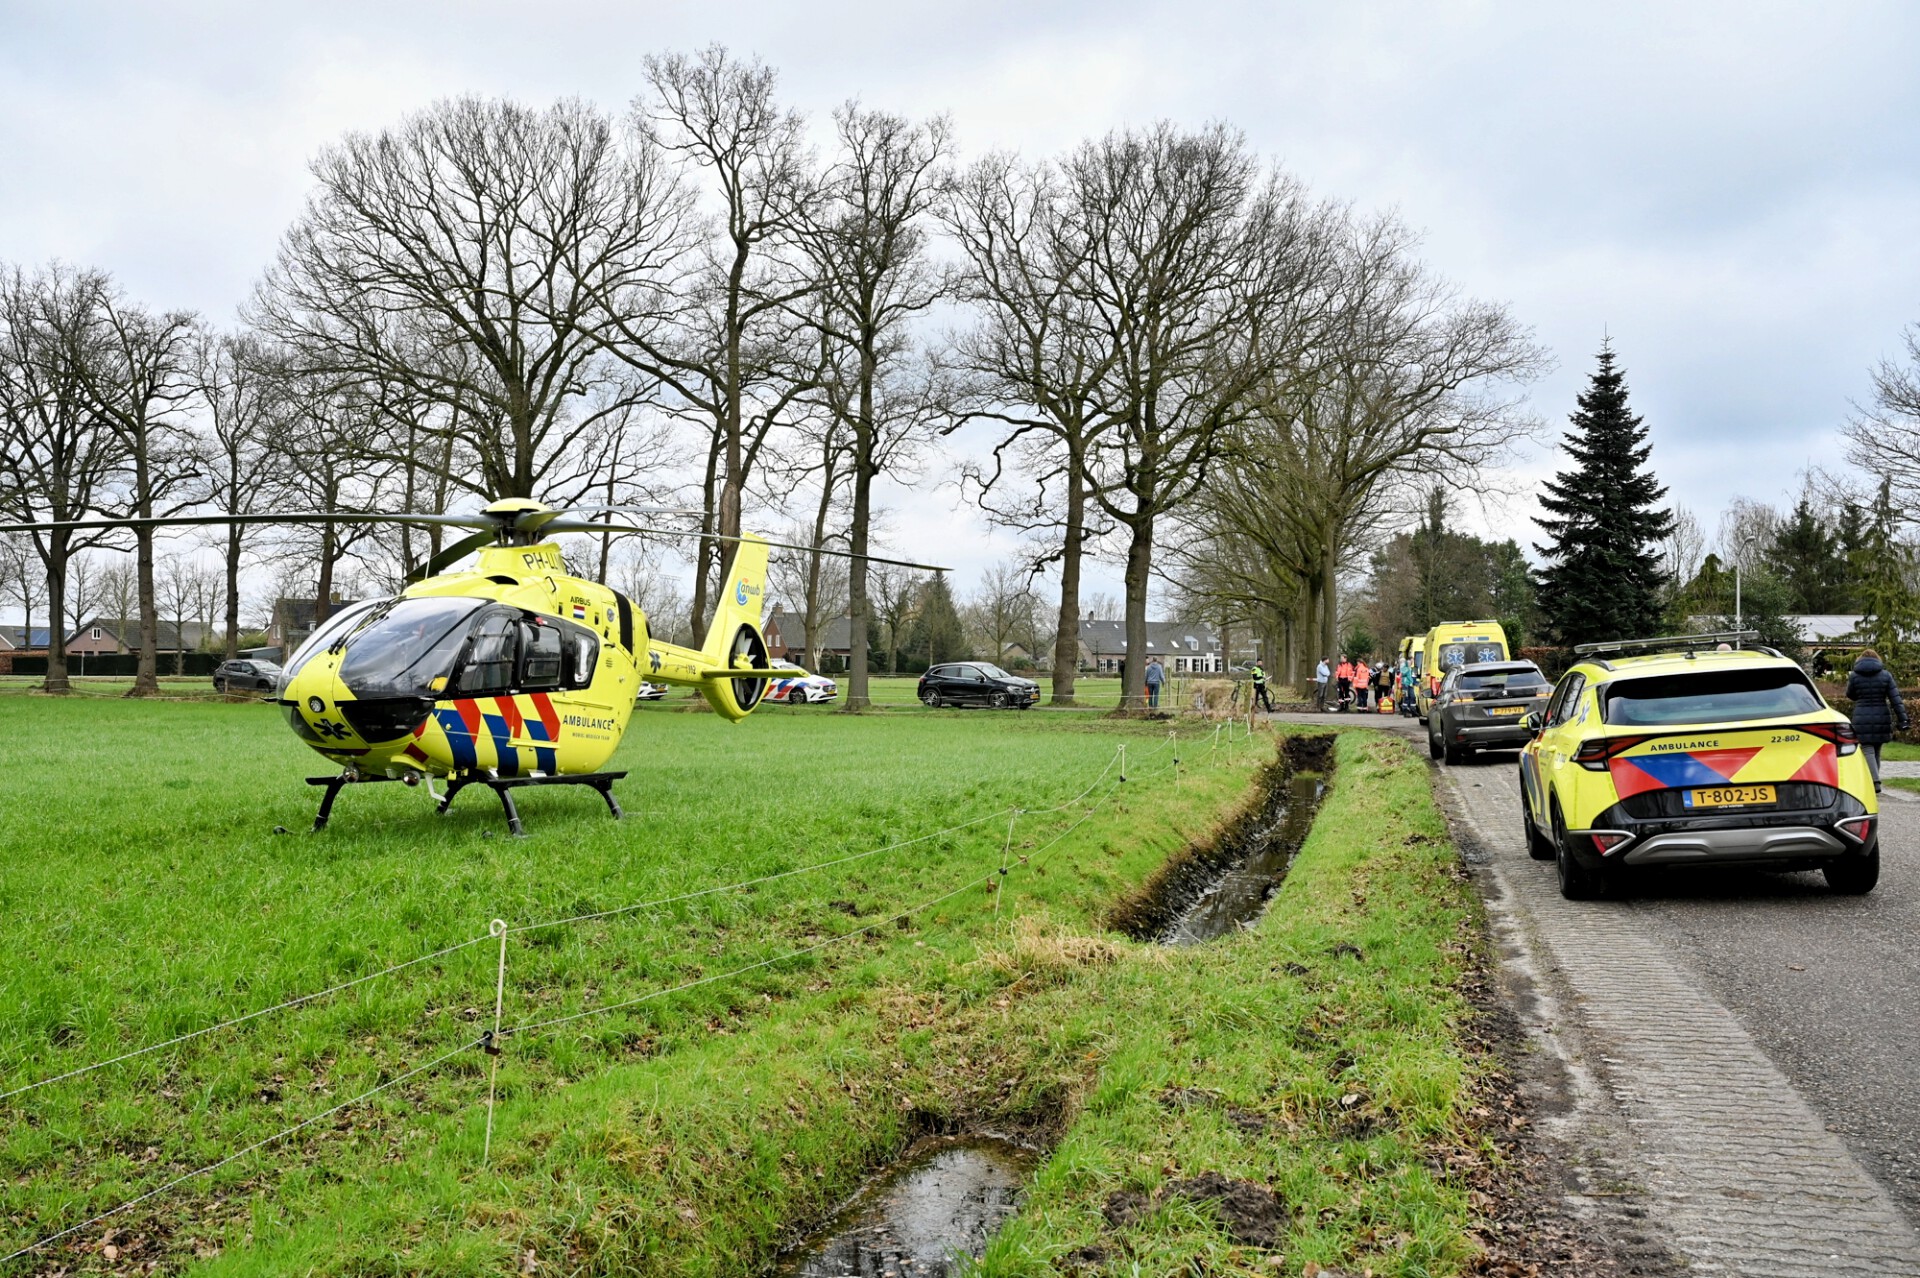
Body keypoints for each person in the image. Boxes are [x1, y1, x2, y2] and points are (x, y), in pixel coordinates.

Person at [1846, 648, 1908, 793]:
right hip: (1882, 714)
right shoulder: (1886, 675)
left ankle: (1874, 781)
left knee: (1867, 749)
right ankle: (1875, 781)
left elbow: (1850, 694)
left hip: (1861, 715)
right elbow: (1895, 699)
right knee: (1877, 750)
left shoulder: (1854, 676)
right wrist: (1903, 719)